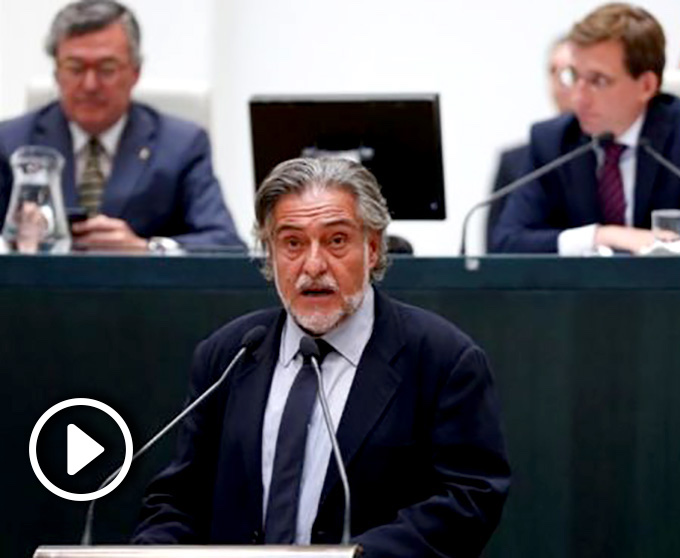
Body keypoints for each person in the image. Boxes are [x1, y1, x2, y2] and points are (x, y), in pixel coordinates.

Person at [132, 157, 511, 556]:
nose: (312, 266)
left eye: (336, 241)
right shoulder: (228, 354)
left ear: (372, 247)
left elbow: (470, 499)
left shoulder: (442, 359)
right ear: (269, 253)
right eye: (292, 243)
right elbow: (181, 499)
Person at [0, 0, 242, 252]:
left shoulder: (182, 145)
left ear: (135, 71)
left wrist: (146, 249)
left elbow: (226, 244)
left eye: (107, 69)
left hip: (143, 290)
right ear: (56, 72)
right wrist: (13, 243)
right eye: (75, 68)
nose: (90, 84)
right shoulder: (10, 142)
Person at [490, 3, 680, 254]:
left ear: (646, 86)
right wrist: (603, 235)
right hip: (580, 293)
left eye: (598, 80)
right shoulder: (553, 140)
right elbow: (507, 241)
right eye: (574, 76)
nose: (578, 98)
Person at [486, 37, 574, 251]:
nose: (561, 83)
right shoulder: (515, 160)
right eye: (553, 72)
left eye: (569, 73)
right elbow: (496, 246)